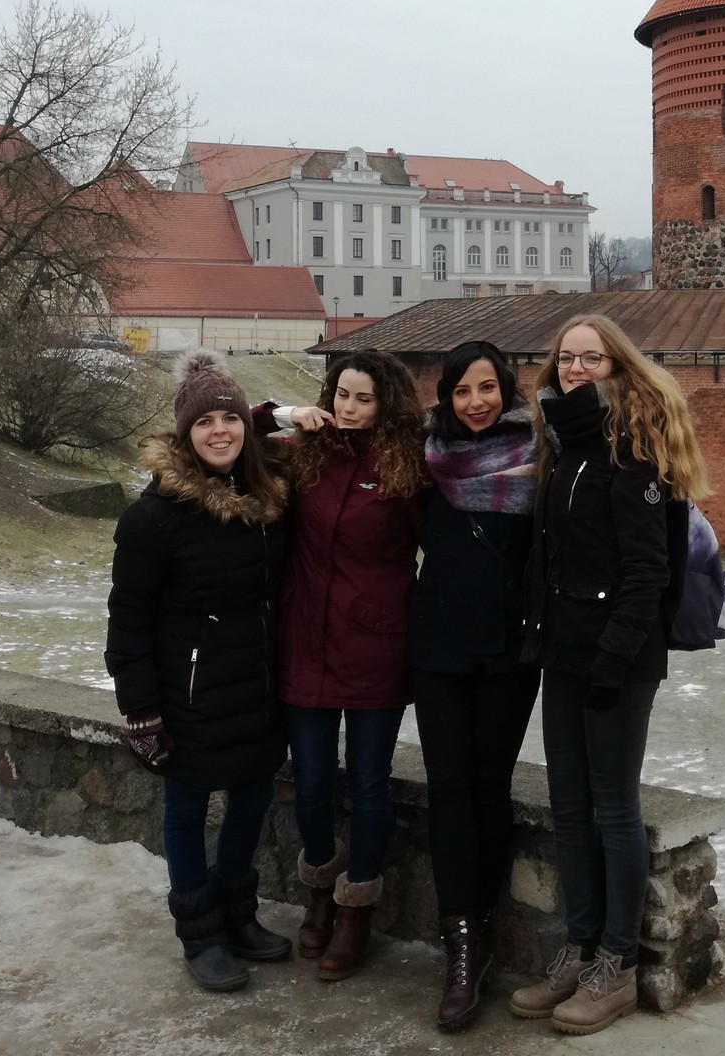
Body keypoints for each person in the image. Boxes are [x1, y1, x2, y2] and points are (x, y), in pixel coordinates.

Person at [509, 314, 712, 1035]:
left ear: (618, 365)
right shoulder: (565, 443)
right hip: (564, 654)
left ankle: (617, 966)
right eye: (568, 358)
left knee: (613, 809)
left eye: (592, 358)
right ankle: (581, 944)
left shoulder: (632, 450)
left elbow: (646, 573)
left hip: (617, 662)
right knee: (568, 807)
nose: (577, 368)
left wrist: (612, 659)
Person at [104, 350, 293, 993]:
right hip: (187, 694)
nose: (221, 431)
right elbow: (127, 623)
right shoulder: (152, 519)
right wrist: (141, 710)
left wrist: (282, 415)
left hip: (259, 687)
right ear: (185, 433)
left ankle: (239, 916)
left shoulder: (264, 501)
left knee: (252, 800)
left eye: (231, 418)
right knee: (186, 809)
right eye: (206, 420)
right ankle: (201, 933)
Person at [268, 351, 427, 982]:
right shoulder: (306, 453)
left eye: (361, 397)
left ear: (385, 402)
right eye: (339, 394)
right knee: (309, 780)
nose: (347, 407)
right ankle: (317, 890)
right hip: (305, 639)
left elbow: (440, 542)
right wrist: (285, 413)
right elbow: (222, 431)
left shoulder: (406, 465)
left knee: (367, 784)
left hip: (375, 645)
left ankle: (356, 909)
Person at [409, 341, 542, 1031]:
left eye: (488, 388)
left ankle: (481, 928)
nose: (477, 402)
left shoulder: (537, 456)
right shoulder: (424, 458)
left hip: (510, 652)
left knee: (490, 791)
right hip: (437, 650)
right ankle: (461, 942)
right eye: (463, 391)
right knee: (449, 789)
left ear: (507, 390)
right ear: (446, 398)